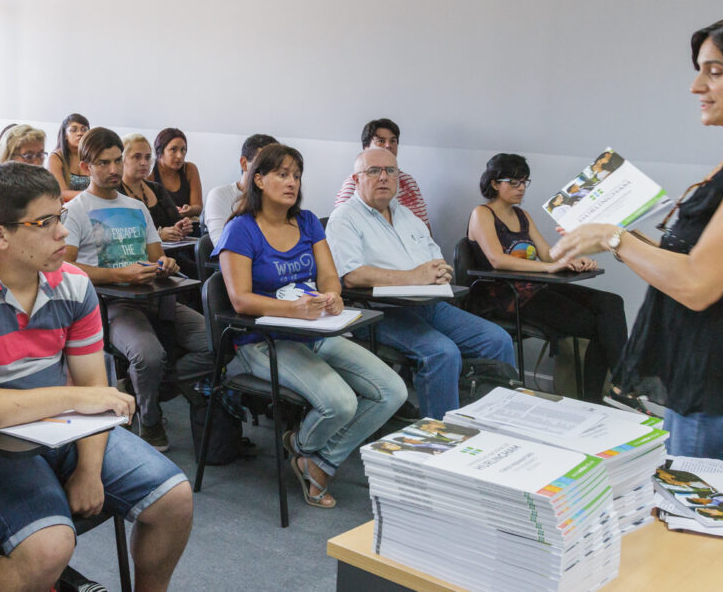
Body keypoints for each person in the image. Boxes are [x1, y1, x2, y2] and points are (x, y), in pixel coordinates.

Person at [552, 12, 723, 465]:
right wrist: (616, 240)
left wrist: (617, 238)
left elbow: (698, 285)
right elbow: (695, 264)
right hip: (703, 385)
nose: (696, 87)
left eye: (714, 72)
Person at [0, 161, 193, 591]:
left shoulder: (73, 284)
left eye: (59, 218)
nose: (62, 234)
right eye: (44, 223)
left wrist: (89, 468)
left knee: (174, 501)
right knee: (49, 546)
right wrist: (72, 400)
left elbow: (90, 390)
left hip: (62, 430)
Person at [213, 143, 406, 508]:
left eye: (296, 176)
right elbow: (240, 300)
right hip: (262, 341)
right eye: (282, 174)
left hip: (315, 332)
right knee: (341, 403)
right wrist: (294, 311)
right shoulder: (240, 229)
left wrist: (332, 296)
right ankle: (312, 458)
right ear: (259, 179)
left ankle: (309, 454)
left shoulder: (307, 222)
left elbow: (330, 277)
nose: (292, 183)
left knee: (392, 391)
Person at [326, 148, 515, 419]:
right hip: (378, 312)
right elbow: (354, 276)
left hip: (428, 304)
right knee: (442, 353)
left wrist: (439, 273)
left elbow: (435, 260)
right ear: (356, 179)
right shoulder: (344, 218)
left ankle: (496, 422)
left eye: (391, 171)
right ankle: (441, 436)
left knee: (497, 339)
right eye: (373, 171)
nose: (384, 177)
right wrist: (415, 276)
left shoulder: (405, 215)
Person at [64, 128, 213, 452]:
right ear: (86, 165)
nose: (114, 170)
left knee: (214, 342)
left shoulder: (135, 206)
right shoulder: (77, 210)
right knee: (149, 355)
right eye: (104, 163)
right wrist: (119, 276)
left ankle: (148, 385)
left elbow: (158, 256)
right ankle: (150, 417)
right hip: (114, 304)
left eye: (118, 161)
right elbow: (67, 270)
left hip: (155, 296)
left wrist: (167, 266)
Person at [467, 153, 627, 403]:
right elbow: (497, 259)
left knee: (612, 303)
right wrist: (548, 269)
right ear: (495, 183)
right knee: (597, 326)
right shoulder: (482, 214)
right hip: (505, 296)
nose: (521, 188)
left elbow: (547, 255)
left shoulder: (523, 216)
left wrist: (572, 259)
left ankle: (618, 386)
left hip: (534, 287)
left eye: (524, 182)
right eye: (514, 182)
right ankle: (605, 395)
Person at [334, 118, 430, 231]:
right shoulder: (355, 182)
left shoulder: (408, 182)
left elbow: (425, 229)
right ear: (366, 148)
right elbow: (342, 226)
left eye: (393, 141)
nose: (388, 145)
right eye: (381, 141)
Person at [202, 133, 277, 243]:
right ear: (244, 164)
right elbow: (222, 244)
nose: (271, 172)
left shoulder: (277, 197)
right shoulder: (219, 195)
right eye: (264, 165)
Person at [119, 134, 192, 242]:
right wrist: (158, 235)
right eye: (137, 157)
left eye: (148, 157)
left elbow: (176, 221)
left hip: (172, 252)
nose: (144, 163)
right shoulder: (114, 193)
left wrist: (181, 227)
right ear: (122, 159)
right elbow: (119, 235)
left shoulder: (157, 189)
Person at [147, 128, 203, 219]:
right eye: (173, 149)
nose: (180, 156)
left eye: (183, 150)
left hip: (187, 226)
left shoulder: (189, 169)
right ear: (160, 152)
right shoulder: (150, 173)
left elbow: (198, 207)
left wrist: (189, 209)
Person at [48, 113, 91, 200]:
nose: (80, 133)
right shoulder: (55, 158)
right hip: (65, 209)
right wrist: (93, 196)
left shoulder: (93, 156)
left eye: (84, 130)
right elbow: (61, 194)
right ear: (65, 135)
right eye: (73, 130)